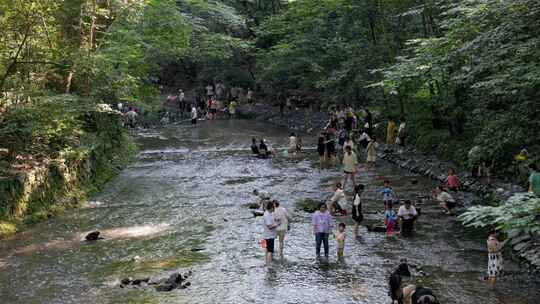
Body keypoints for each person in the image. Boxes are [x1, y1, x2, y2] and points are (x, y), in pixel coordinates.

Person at [262, 201, 279, 266]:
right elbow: (269, 226)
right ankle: (269, 265)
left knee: (266, 249)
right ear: (271, 207)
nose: (274, 209)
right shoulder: (267, 215)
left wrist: (275, 221)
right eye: (274, 207)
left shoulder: (268, 213)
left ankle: (266, 262)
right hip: (269, 236)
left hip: (266, 235)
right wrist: (277, 224)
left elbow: (271, 222)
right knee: (270, 251)